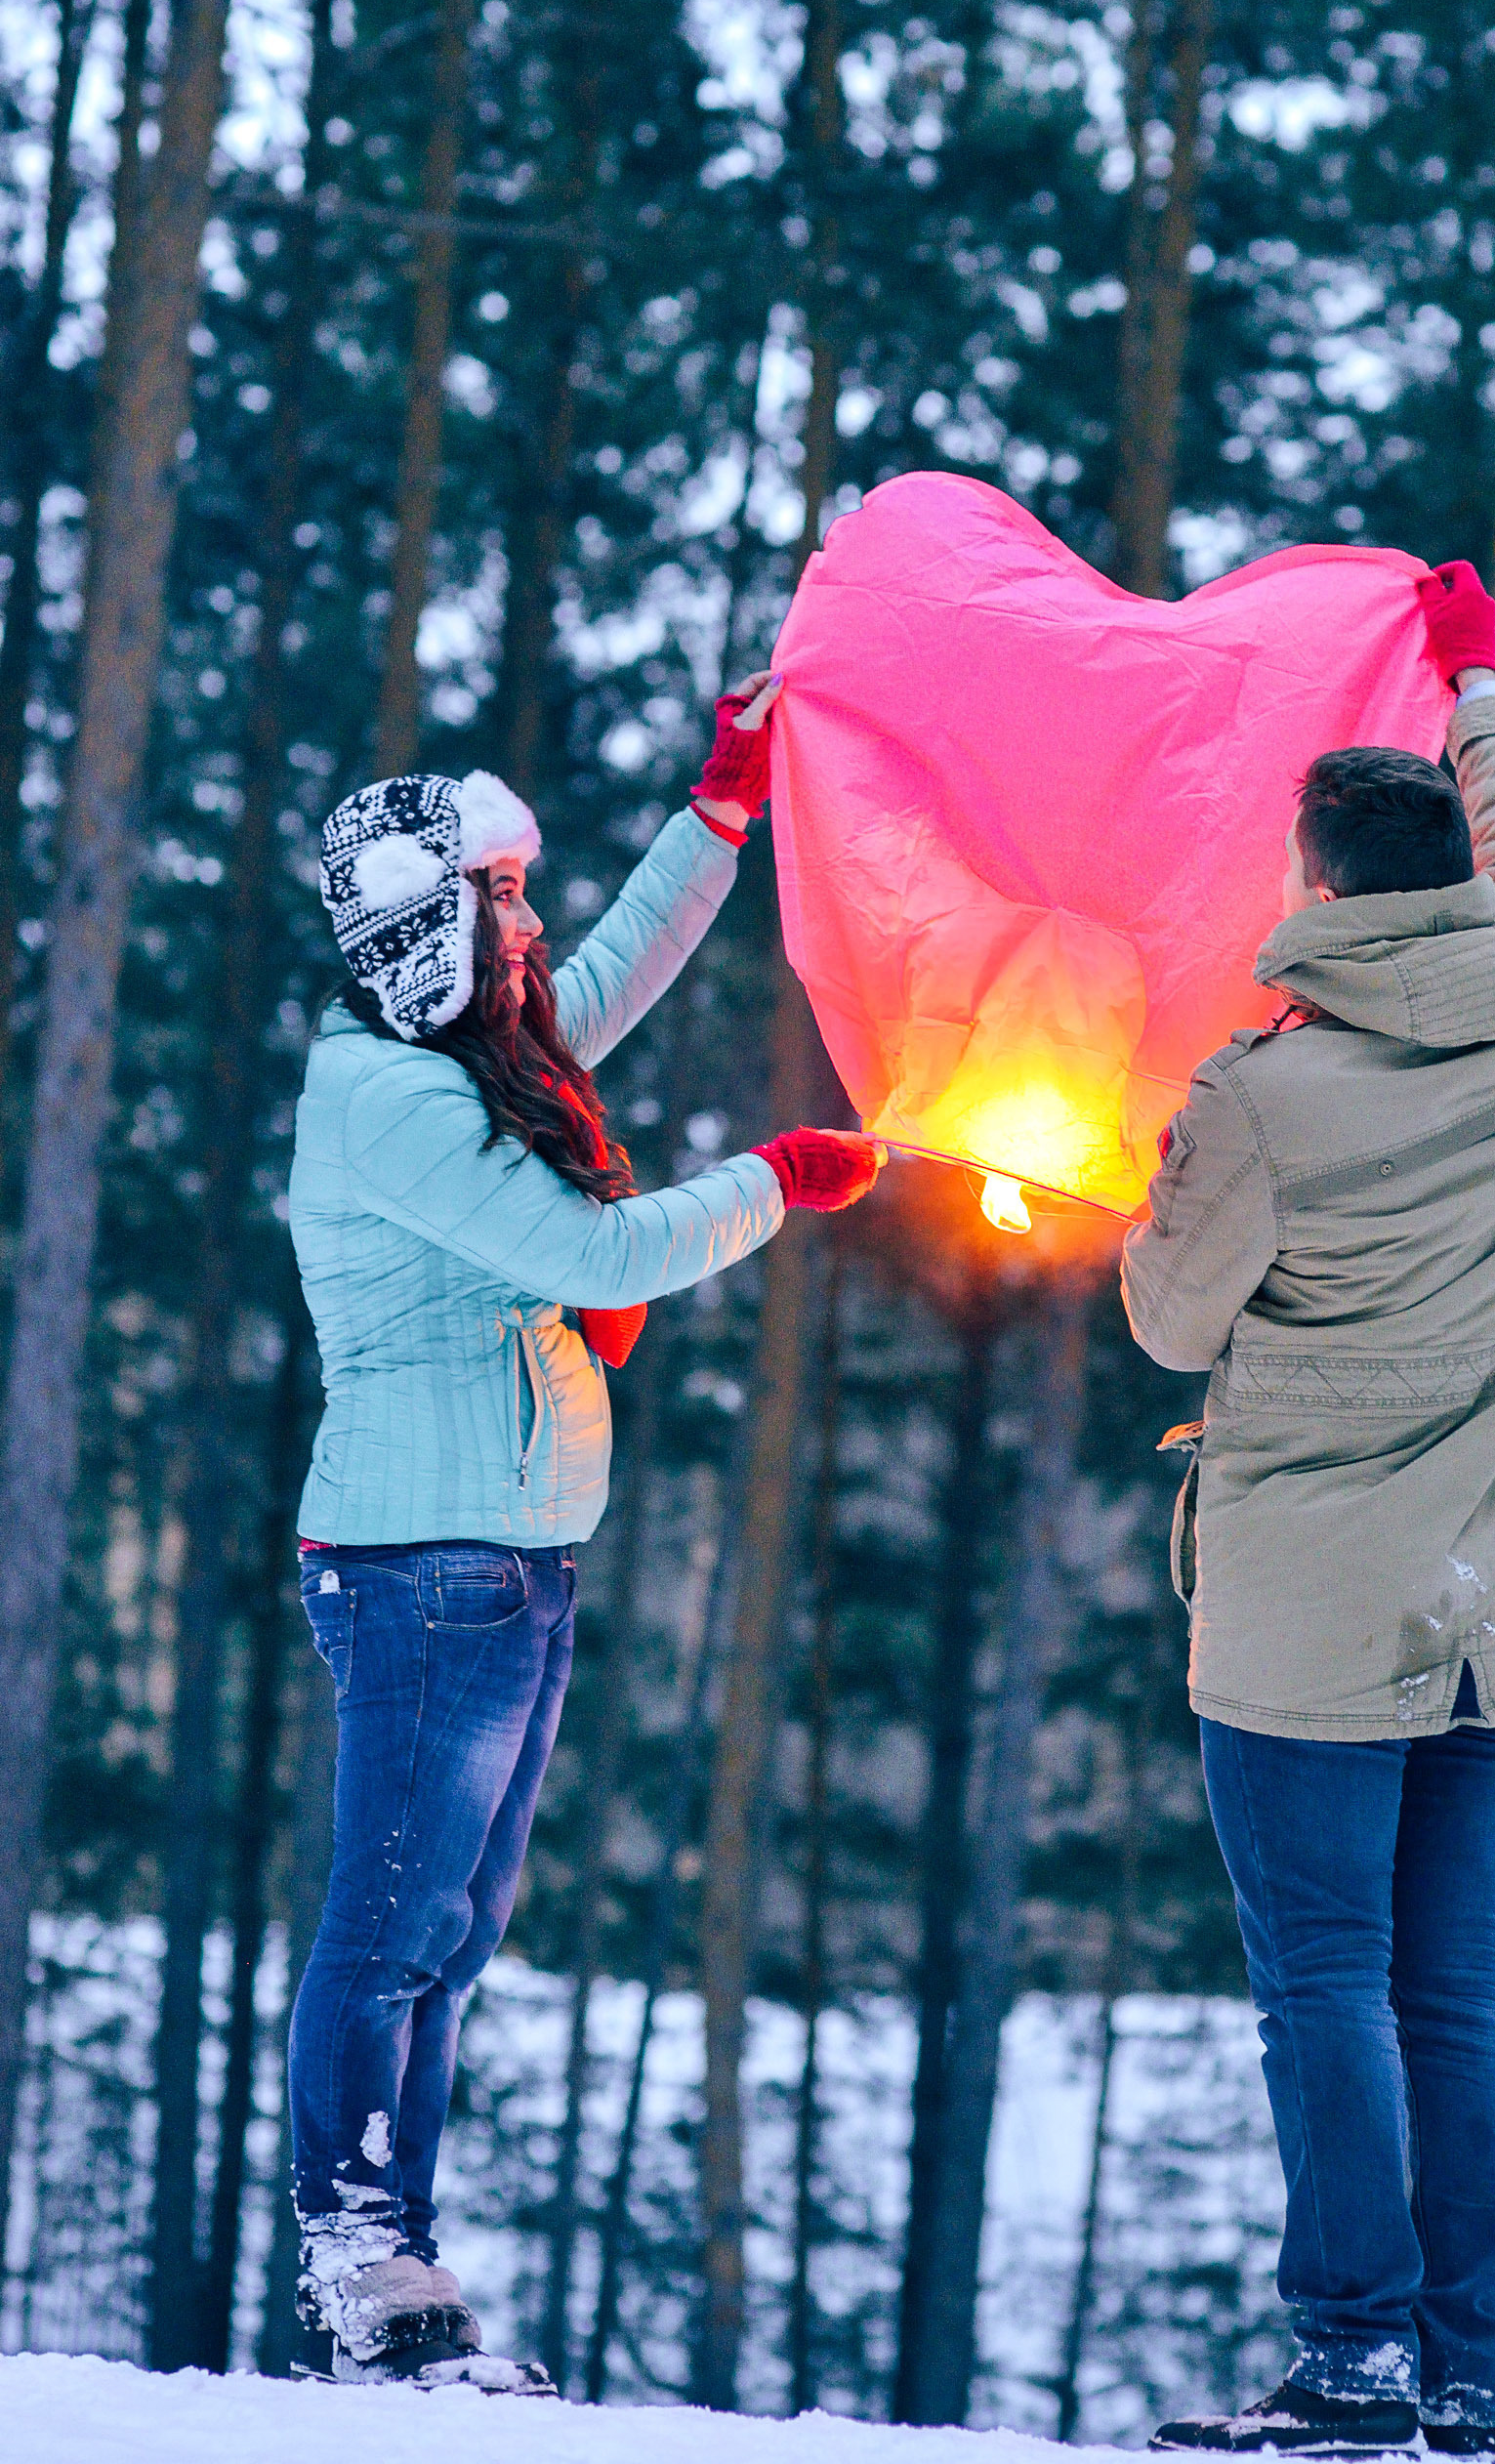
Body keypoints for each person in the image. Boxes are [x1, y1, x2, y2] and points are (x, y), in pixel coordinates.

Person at [283, 675, 880, 2389]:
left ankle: (397, 2269)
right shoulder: (389, 1101)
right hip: (422, 1565)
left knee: (451, 1934)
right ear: (429, 928)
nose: (531, 927)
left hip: (508, 1559)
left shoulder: (461, 1056)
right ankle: (357, 2254)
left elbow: (600, 978)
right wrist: (781, 1177)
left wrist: (722, 811)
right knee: (393, 1921)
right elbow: (603, 1260)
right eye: (503, 897)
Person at [1124, 563, 1495, 2460]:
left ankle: (1350, 2363)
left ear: (1318, 891)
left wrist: (1164, 1186)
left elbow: (1170, 1320)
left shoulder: (1259, 1097)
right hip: (1494, 1604)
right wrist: (1479, 677)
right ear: (1460, 878)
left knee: (1322, 1981)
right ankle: (1463, 2377)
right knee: (1451, 1983)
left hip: (1304, 1631)